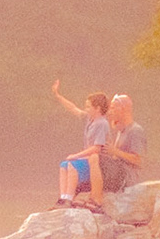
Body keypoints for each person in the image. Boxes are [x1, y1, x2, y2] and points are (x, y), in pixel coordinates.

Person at [51, 81, 110, 209]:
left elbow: (97, 148)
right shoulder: (89, 119)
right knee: (63, 165)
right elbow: (73, 108)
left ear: (98, 108)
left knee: (72, 165)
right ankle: (63, 198)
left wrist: (76, 155)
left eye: (88, 107)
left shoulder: (102, 123)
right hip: (86, 157)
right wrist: (58, 95)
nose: (85, 109)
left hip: (97, 162)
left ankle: (69, 199)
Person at [99, 93, 146, 196]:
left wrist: (115, 151)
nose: (110, 112)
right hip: (119, 172)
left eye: (113, 108)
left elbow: (139, 160)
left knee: (97, 159)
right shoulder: (121, 131)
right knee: (95, 156)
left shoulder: (135, 131)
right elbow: (115, 155)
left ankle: (96, 197)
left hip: (128, 177)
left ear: (123, 109)